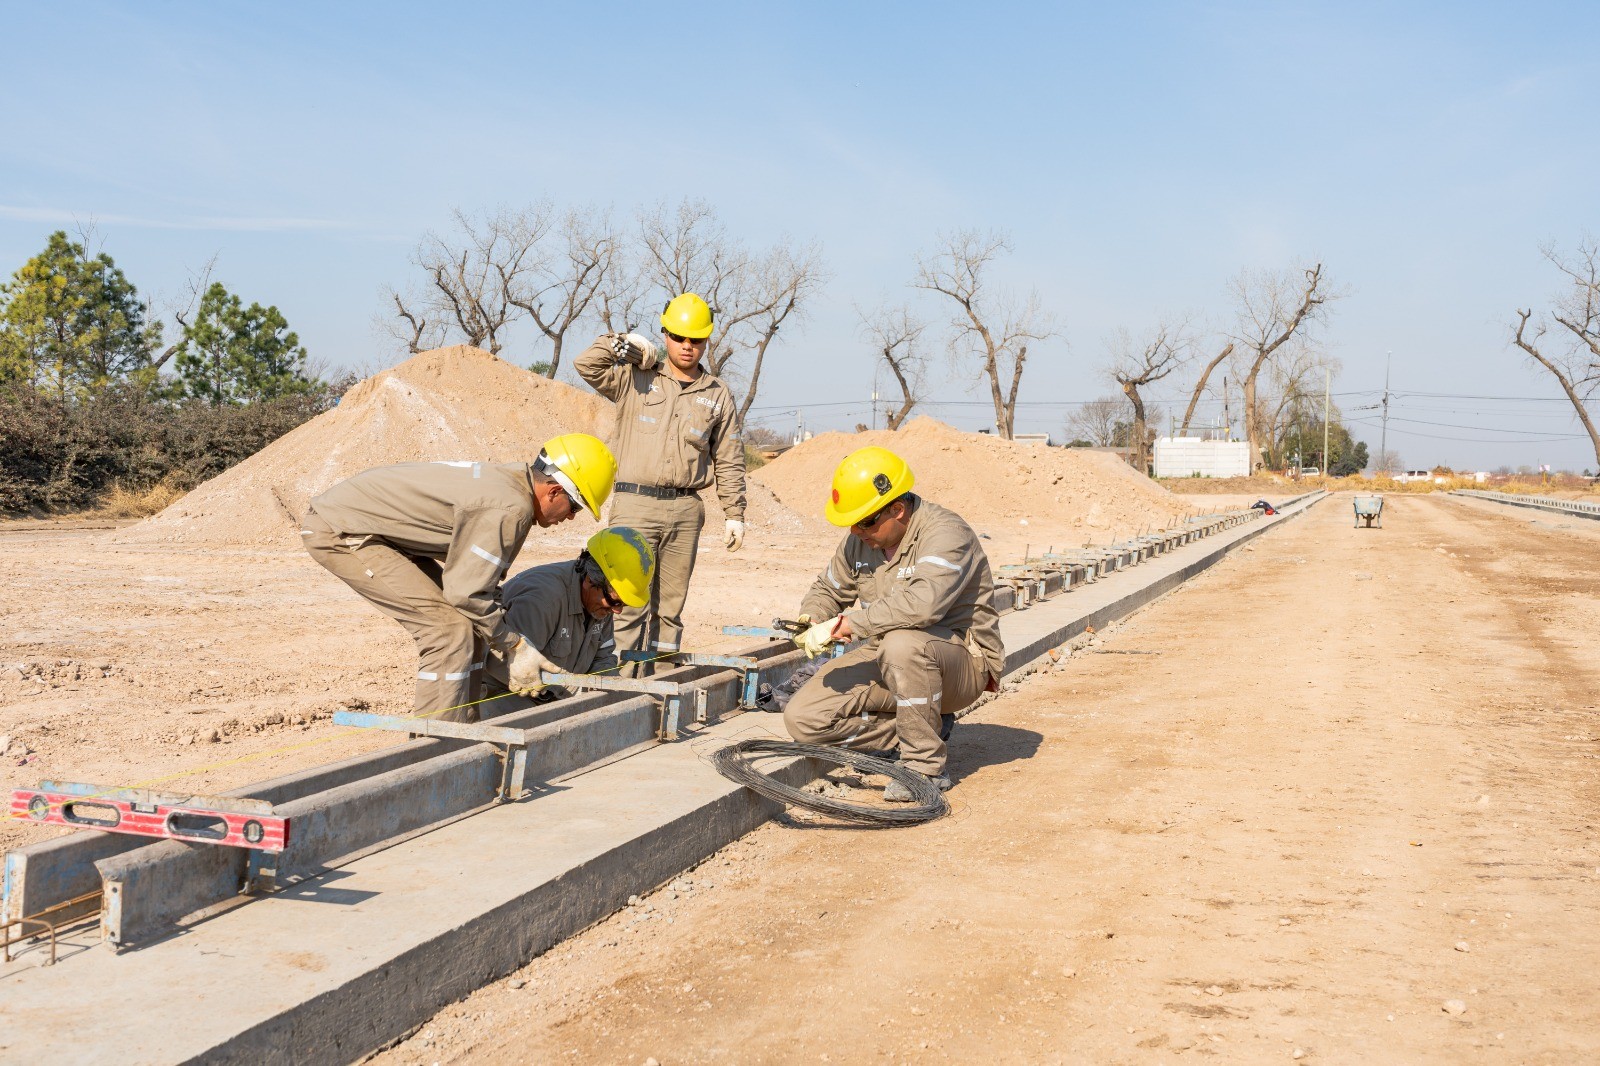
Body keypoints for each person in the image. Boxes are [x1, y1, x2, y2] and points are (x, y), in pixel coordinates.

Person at [300, 433, 617, 723]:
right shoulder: (511, 508)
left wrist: (502, 638)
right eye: (574, 506)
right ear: (554, 491)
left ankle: (465, 731)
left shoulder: (512, 489)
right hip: (343, 528)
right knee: (448, 632)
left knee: (474, 628)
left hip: (380, 530)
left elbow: (481, 588)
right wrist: (515, 645)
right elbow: (465, 593)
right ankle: (433, 752)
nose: (571, 516)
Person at [783, 446, 1005, 800]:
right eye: (851, 522)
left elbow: (923, 605)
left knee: (902, 644)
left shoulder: (946, 533)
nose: (856, 530)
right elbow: (829, 588)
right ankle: (920, 728)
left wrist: (848, 625)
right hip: (888, 657)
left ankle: (923, 768)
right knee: (804, 718)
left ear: (897, 510)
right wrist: (813, 617)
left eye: (865, 521)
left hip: (959, 663)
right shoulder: (861, 540)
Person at [574, 292, 746, 669]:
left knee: (670, 608)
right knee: (626, 601)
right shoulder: (637, 377)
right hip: (635, 504)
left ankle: (662, 690)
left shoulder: (717, 394)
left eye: (696, 339)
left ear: (706, 341)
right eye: (679, 337)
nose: (687, 347)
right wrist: (624, 343)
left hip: (685, 510)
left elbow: (729, 460)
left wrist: (735, 512)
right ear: (665, 334)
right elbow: (586, 364)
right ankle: (618, 687)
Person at [486, 527, 655, 702]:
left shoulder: (601, 602)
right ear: (590, 580)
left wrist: (613, 688)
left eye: (623, 604)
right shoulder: (543, 601)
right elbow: (506, 665)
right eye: (615, 602)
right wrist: (575, 689)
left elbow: (602, 658)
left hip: (554, 697)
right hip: (505, 693)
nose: (617, 610)